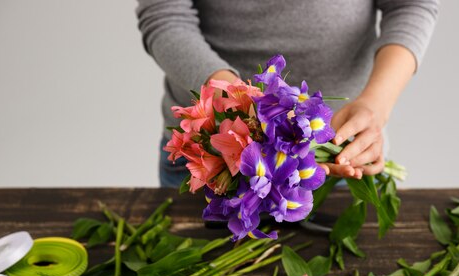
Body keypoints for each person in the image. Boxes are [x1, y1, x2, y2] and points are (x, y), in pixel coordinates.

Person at [136, 0, 439, 187]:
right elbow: (165, 14)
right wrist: (234, 103)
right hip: (214, 152)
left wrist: (376, 105)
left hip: (344, 152)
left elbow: (410, 4)